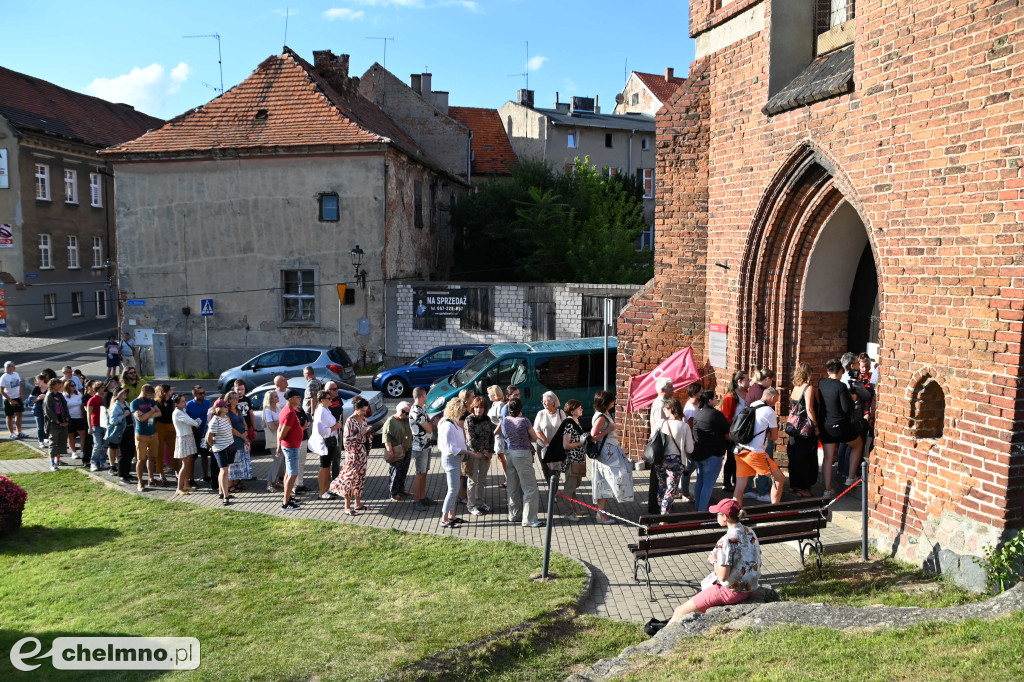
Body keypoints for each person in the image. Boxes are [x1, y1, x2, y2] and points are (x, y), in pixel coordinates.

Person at [666, 499, 760, 624]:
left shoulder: (726, 541)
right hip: (751, 587)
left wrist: (715, 561)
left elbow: (723, 576)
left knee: (679, 611)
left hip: (732, 591)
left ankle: (661, 638)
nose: (716, 516)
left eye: (718, 514)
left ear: (725, 517)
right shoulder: (750, 531)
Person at [818, 358, 865, 497]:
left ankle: (827, 490)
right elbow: (846, 408)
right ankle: (851, 477)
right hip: (840, 426)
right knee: (858, 445)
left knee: (828, 457)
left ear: (828, 370)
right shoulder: (841, 386)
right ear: (839, 372)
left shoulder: (821, 383)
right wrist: (853, 399)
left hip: (826, 425)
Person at [731, 387, 785, 506]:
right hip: (755, 453)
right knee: (779, 479)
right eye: (775, 400)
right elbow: (775, 436)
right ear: (772, 397)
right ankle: (774, 511)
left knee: (740, 486)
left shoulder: (752, 405)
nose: (775, 403)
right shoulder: (769, 411)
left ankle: (734, 513)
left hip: (740, 449)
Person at [498, 397, 546, 528]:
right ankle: (530, 519)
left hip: (510, 453)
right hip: (522, 455)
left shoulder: (506, 420)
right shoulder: (524, 421)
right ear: (521, 408)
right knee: (530, 488)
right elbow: (535, 437)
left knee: (513, 487)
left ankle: (514, 515)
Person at [540, 398, 589, 520]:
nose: (581, 409)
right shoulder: (569, 423)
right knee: (569, 488)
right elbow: (566, 445)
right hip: (571, 460)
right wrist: (581, 442)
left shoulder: (576, 421)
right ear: (572, 411)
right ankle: (568, 513)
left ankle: (575, 509)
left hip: (578, 459)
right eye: (579, 408)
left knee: (574, 486)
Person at [591, 390, 635, 524]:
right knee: (612, 479)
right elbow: (593, 436)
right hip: (607, 455)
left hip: (610, 453)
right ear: (607, 403)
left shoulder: (604, 414)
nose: (614, 402)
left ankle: (602, 513)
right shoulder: (601, 417)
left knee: (604, 482)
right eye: (612, 400)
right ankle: (601, 513)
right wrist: (608, 430)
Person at [329, 396, 373, 515]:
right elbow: (347, 441)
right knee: (349, 479)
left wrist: (368, 432)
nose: (364, 413)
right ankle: (347, 507)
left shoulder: (363, 419)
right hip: (353, 455)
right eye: (363, 410)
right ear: (356, 408)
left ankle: (358, 503)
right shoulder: (350, 421)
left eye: (366, 410)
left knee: (360, 478)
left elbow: (364, 433)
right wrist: (362, 433)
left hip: (362, 452)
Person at [437, 398, 476, 529]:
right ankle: (444, 519)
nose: (463, 413)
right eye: (462, 411)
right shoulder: (447, 425)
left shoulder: (451, 422)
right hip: (451, 459)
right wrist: (469, 453)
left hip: (455, 459)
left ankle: (452, 516)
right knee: (453, 490)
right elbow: (450, 448)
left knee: (454, 489)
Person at [690, 390, 731, 512]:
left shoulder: (698, 413)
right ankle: (702, 510)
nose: (717, 399)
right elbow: (727, 429)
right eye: (715, 397)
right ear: (710, 400)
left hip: (699, 452)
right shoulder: (716, 414)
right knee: (708, 484)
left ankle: (698, 506)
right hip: (712, 454)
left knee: (700, 481)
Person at [656, 398, 694, 515]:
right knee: (671, 488)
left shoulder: (661, 423)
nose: (664, 411)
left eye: (665, 409)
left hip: (660, 459)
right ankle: (664, 514)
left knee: (662, 485)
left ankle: (661, 506)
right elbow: (690, 449)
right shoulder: (684, 426)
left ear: (671, 409)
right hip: (676, 461)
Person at [787, 363, 820, 498]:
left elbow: (791, 406)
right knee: (807, 458)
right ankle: (804, 488)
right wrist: (816, 427)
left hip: (794, 428)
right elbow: (810, 409)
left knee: (794, 455)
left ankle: (794, 485)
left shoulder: (795, 388)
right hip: (805, 429)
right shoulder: (809, 388)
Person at [719, 370, 750, 495]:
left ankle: (736, 481)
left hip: (743, 432)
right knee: (731, 458)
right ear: (740, 381)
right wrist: (728, 434)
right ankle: (727, 483)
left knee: (739, 458)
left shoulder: (747, 393)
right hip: (733, 432)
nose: (749, 381)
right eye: (747, 379)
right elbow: (726, 417)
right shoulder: (731, 396)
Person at [309, 389, 342, 500]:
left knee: (327, 467)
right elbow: (322, 430)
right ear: (322, 400)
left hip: (330, 442)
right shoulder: (321, 412)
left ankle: (326, 490)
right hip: (325, 443)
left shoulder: (326, 409)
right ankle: (322, 492)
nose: (331, 400)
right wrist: (335, 427)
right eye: (329, 398)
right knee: (324, 467)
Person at [464, 397, 494, 516]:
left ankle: (480, 502)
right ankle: (471, 506)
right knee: (472, 480)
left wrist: (490, 451)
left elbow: (491, 437)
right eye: (476, 407)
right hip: (473, 454)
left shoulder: (487, 419)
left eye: (481, 407)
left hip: (485, 455)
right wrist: (482, 451)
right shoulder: (469, 419)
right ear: (473, 408)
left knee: (481, 480)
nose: (478, 410)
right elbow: (470, 439)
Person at [131, 384, 163, 491]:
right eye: (149, 395)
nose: (151, 397)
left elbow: (159, 413)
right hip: (141, 435)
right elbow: (140, 418)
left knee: (152, 457)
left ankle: (151, 479)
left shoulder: (151, 401)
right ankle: (140, 482)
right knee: (141, 459)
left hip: (153, 433)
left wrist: (148, 414)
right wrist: (151, 411)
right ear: (143, 393)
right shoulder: (135, 403)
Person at [409, 386, 435, 511]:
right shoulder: (416, 411)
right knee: (419, 473)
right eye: (426, 395)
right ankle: (416, 500)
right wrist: (433, 424)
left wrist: (431, 424)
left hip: (426, 445)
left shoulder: (421, 409)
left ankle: (423, 497)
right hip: (420, 447)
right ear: (423, 394)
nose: (427, 397)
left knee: (424, 473)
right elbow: (429, 428)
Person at [205, 399, 236, 505]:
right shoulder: (215, 420)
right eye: (225, 406)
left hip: (230, 446)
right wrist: (212, 446)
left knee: (224, 471)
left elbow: (229, 430)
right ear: (220, 408)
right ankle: (226, 497)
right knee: (224, 471)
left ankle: (221, 492)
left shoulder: (226, 418)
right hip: (220, 448)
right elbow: (209, 437)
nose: (227, 407)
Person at [383, 401, 414, 501]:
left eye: (407, 413)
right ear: (398, 409)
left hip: (407, 449)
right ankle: (394, 493)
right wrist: (390, 450)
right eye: (403, 411)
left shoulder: (406, 419)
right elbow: (386, 437)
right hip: (396, 450)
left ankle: (401, 489)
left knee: (403, 471)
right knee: (395, 472)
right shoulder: (390, 421)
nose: (404, 414)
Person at [533, 391, 565, 483]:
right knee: (546, 469)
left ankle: (554, 492)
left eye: (546, 401)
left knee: (556, 470)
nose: (544, 403)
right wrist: (546, 442)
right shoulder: (541, 413)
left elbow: (565, 429)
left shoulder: (560, 413)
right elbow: (537, 430)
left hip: (557, 447)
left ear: (553, 402)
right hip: (543, 446)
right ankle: (550, 488)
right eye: (543, 401)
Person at [172, 393, 200, 495]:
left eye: (185, 400)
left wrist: (195, 422)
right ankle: (179, 488)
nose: (185, 403)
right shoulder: (177, 413)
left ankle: (186, 485)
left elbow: (189, 421)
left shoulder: (182, 411)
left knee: (188, 463)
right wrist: (197, 423)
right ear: (177, 404)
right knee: (185, 463)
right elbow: (190, 421)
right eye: (183, 401)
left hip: (188, 437)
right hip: (183, 439)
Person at [225, 391, 251, 492]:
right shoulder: (227, 412)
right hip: (234, 439)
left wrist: (245, 432)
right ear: (229, 400)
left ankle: (236, 482)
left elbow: (244, 422)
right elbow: (230, 428)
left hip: (242, 437)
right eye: (235, 398)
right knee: (233, 463)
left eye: (237, 398)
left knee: (240, 462)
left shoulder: (238, 409)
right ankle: (230, 485)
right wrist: (242, 436)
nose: (237, 400)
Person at [185, 386, 211, 487]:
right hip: (194, 434)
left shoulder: (207, 402)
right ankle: (191, 479)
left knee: (205, 454)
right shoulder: (189, 405)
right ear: (194, 395)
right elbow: (185, 419)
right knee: (193, 457)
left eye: (204, 392)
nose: (203, 395)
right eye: (200, 393)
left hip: (205, 433)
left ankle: (205, 475)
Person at [43, 378, 69, 470]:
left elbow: (65, 406)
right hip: (53, 424)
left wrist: (66, 419)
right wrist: (58, 422)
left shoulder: (59, 395)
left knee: (61, 442)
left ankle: (58, 459)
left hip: (63, 423)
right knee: (53, 443)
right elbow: (49, 411)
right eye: (59, 384)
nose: (60, 386)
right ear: (53, 385)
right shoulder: (48, 396)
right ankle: (52, 463)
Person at [486, 385, 509, 488]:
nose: (488, 395)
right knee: (499, 457)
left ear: (494, 394)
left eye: (489, 393)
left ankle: (509, 479)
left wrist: (493, 433)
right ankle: (508, 478)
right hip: (494, 434)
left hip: (498, 435)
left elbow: (501, 422)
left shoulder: (499, 404)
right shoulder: (494, 404)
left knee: (501, 457)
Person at [323, 381, 345, 483]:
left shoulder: (338, 398)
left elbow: (341, 411)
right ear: (328, 391)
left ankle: (336, 479)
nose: (337, 391)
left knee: (337, 456)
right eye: (334, 389)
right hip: (328, 434)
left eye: (337, 388)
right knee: (327, 459)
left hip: (338, 431)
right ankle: (325, 482)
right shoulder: (325, 403)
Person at [105, 388, 130, 476]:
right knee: (113, 447)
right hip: (117, 431)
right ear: (118, 395)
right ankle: (113, 467)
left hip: (126, 430)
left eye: (126, 392)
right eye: (123, 392)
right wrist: (124, 415)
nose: (125, 394)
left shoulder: (126, 403)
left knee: (124, 451)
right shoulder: (116, 406)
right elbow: (113, 421)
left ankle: (123, 470)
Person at [153, 384, 177, 478]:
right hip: (159, 427)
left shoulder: (172, 402)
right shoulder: (156, 402)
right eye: (170, 390)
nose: (172, 391)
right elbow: (153, 417)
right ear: (165, 392)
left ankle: (177, 471)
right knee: (160, 451)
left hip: (170, 426)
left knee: (174, 450)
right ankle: (161, 474)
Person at [262, 389, 283, 492]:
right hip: (274, 439)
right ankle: (269, 483)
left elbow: (279, 423)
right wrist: (279, 423)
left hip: (281, 437)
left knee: (281, 461)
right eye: (275, 396)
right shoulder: (268, 410)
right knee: (277, 461)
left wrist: (277, 423)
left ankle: (277, 480)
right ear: (270, 399)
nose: (278, 398)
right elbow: (272, 426)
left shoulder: (278, 408)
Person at [1, 361, 27, 440]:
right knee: (9, 416)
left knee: (19, 414)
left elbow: (20, 385)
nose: (14, 367)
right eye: (12, 366)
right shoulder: (4, 377)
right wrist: (9, 399)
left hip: (17, 397)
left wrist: (21, 395)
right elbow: (1, 390)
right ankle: (12, 433)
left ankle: (19, 431)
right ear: (8, 367)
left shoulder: (16, 374)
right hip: (8, 399)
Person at [86, 381, 108, 471]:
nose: (104, 389)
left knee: (105, 444)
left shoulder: (106, 397)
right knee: (98, 444)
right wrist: (90, 427)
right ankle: (94, 462)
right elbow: (89, 414)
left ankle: (103, 461)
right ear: (97, 389)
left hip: (105, 424)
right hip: (96, 424)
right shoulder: (92, 399)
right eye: (102, 387)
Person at [64, 379, 86, 459]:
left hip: (79, 417)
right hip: (70, 418)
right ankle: (73, 452)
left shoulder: (79, 394)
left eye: (74, 385)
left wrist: (82, 413)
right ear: (67, 387)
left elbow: (82, 404)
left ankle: (82, 451)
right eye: (72, 385)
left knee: (83, 434)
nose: (74, 387)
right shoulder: (64, 396)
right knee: (71, 435)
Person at [28, 374, 47, 448]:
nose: (36, 382)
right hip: (38, 409)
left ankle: (48, 438)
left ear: (42, 380)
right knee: (40, 426)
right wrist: (38, 398)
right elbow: (31, 401)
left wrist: (46, 396)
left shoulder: (49, 388)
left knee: (49, 426)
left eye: (37, 380)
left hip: (48, 409)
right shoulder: (36, 389)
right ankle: (41, 441)